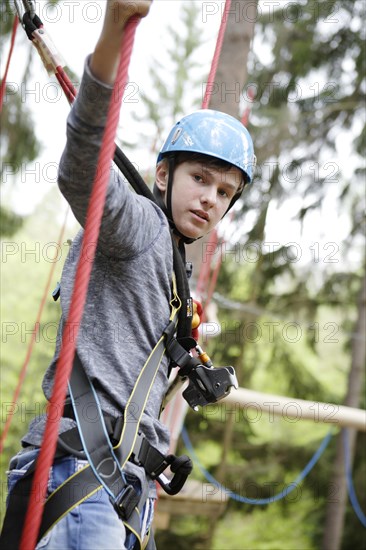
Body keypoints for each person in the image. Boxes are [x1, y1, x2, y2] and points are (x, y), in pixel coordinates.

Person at [1, 1, 255, 549]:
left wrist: (193, 365)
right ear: (163, 175)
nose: (210, 199)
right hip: (81, 477)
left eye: (225, 192)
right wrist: (115, 29)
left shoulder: (173, 271)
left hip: (122, 493)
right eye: (201, 179)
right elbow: (84, 165)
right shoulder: (137, 224)